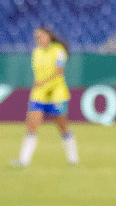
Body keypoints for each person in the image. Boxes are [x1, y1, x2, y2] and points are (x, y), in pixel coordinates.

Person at [12, 27, 79, 167]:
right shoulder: (36, 52)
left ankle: (73, 158)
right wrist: (40, 85)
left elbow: (59, 71)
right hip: (39, 94)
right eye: (36, 37)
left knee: (62, 127)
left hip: (57, 94)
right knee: (31, 126)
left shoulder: (59, 50)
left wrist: (43, 83)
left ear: (48, 36)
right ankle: (23, 160)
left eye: (40, 36)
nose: (38, 39)